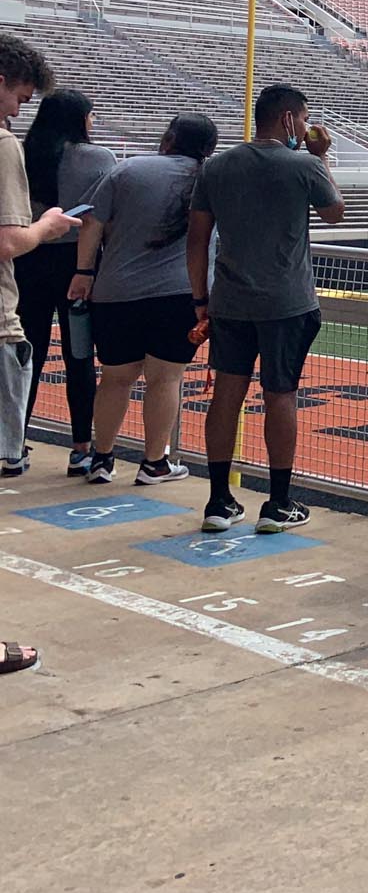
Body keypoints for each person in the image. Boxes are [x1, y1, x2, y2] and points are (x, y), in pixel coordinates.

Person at [188, 83, 346, 535]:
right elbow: (336, 213)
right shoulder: (302, 165)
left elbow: (196, 239)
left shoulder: (216, 167)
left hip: (230, 302)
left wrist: (201, 299)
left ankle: (218, 501)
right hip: (286, 303)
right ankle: (278, 503)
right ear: (289, 120)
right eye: (304, 118)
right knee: (281, 394)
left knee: (226, 395)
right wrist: (321, 156)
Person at [69, 114, 218, 485]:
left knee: (115, 378)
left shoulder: (129, 169)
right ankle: (154, 463)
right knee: (166, 379)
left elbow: (92, 222)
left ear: (168, 138)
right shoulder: (208, 177)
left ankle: (101, 459)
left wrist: (84, 273)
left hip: (115, 292)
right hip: (180, 294)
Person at [0, 34, 79, 678]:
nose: (20, 109)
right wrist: (47, 229)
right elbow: (7, 240)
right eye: (19, 93)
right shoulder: (2, 146)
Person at [18, 88, 114, 474]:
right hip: (80, 263)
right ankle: (81, 447)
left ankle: (13, 442)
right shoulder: (96, 157)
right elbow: (103, 213)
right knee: (79, 355)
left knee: (26, 354)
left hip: (30, 256)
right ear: (79, 119)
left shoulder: (25, 154)